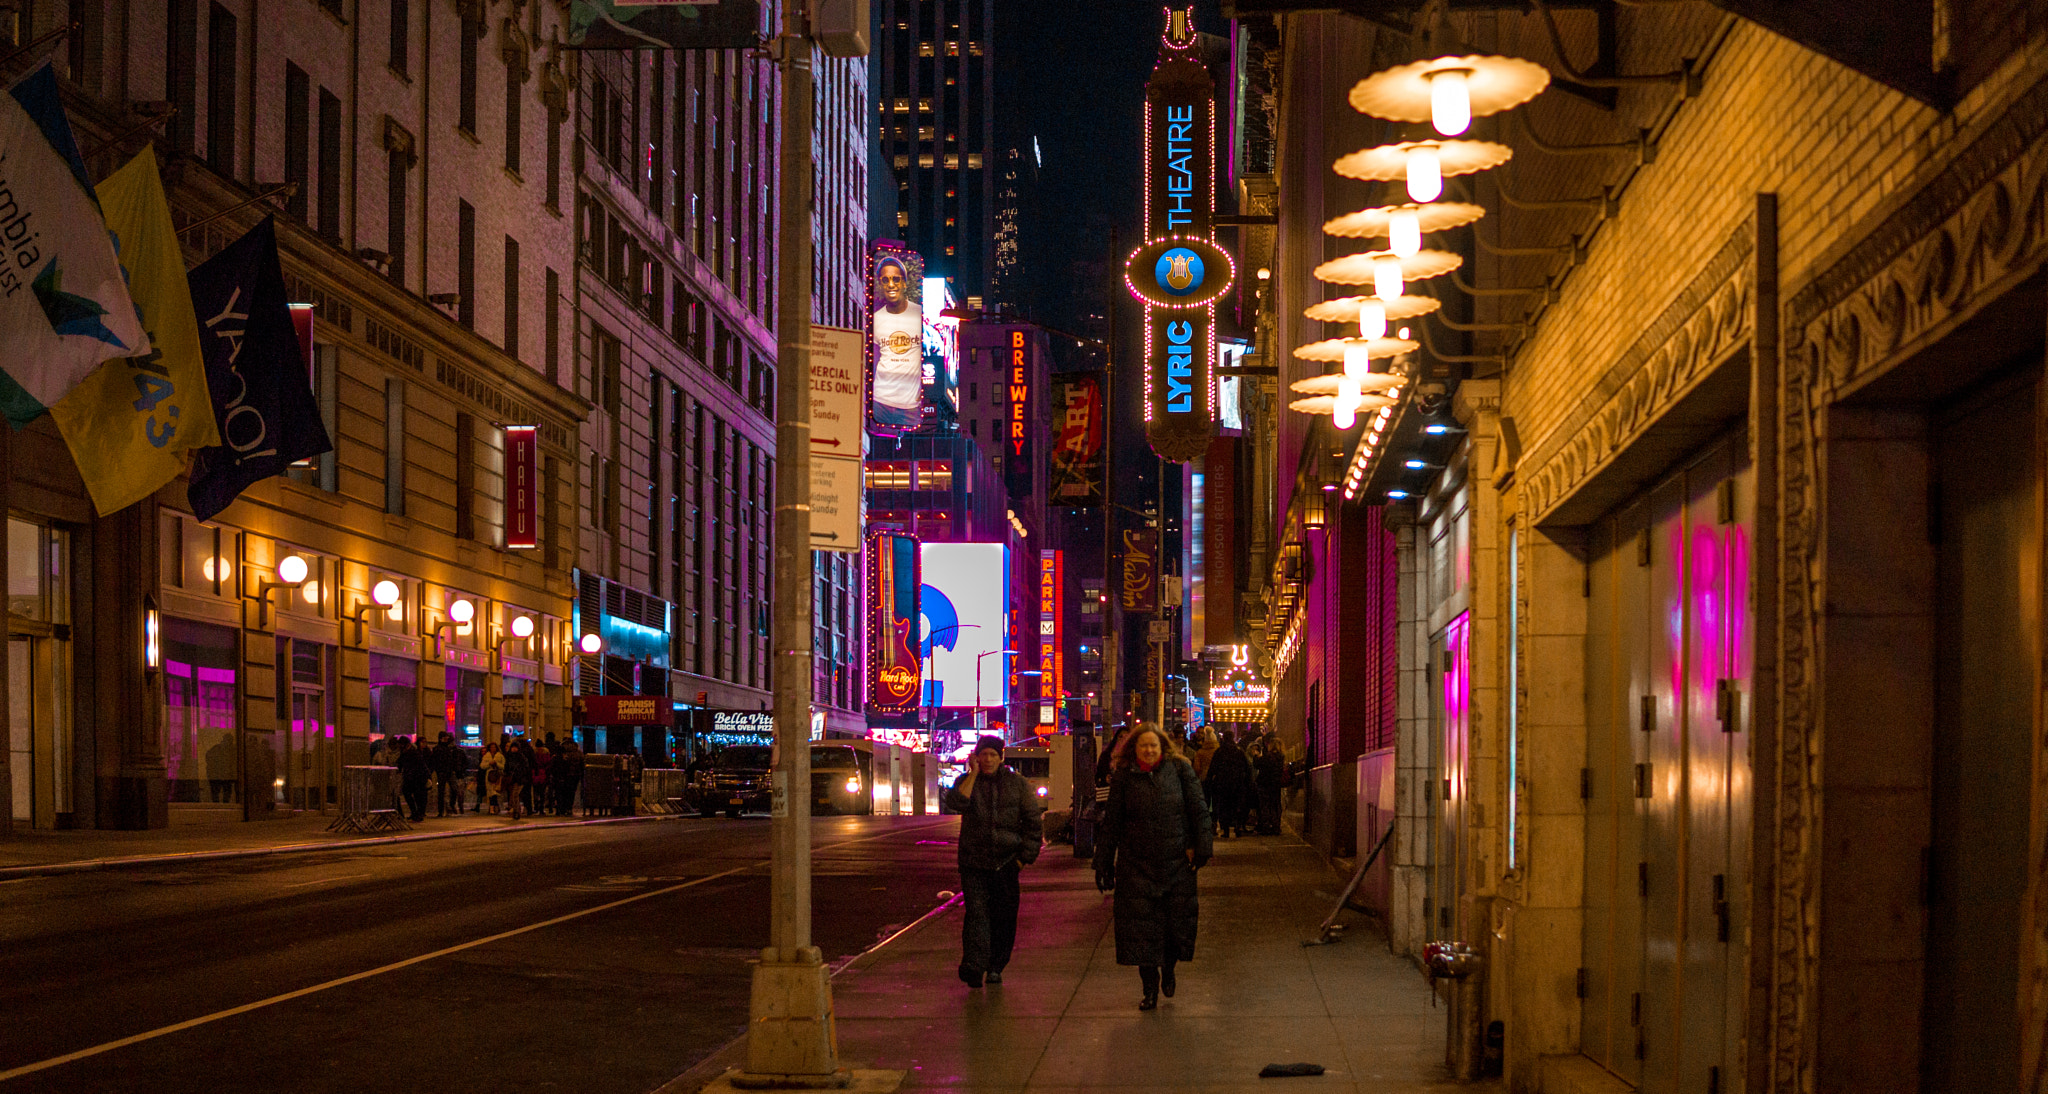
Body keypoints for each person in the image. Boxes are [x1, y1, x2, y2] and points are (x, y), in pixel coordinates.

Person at [1093, 722, 1211, 1011]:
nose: (1148, 750)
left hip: (1176, 864)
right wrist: (1103, 863)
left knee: (1172, 927)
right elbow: (1112, 823)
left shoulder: (1181, 771)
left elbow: (1198, 810)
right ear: (1135, 748)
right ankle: (1149, 988)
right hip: (1135, 866)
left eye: (1153, 745)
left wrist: (1202, 848)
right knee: (1140, 931)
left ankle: (1168, 969)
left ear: (1162, 747)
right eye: (1143, 745)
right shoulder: (1124, 777)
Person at [943, 736, 1045, 988]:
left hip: (1007, 862)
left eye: (992, 755)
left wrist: (1023, 859)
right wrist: (973, 774)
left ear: (1001, 758)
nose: (987, 760)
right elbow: (956, 803)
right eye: (983, 755)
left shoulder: (1018, 785)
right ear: (976, 757)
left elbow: (1033, 823)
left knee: (1004, 917)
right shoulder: (967, 782)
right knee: (977, 914)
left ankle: (996, 966)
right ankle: (975, 966)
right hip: (973, 862)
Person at [870, 255, 923, 427]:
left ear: (904, 283)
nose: (891, 284)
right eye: (885, 280)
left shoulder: (918, 315)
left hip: (910, 408)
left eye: (896, 279)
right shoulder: (876, 319)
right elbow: (874, 359)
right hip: (880, 403)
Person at [1208, 731, 1254, 839]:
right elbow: (1247, 767)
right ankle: (1238, 827)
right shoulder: (1239, 751)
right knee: (1237, 806)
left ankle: (1226, 830)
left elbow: (1213, 767)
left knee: (1224, 807)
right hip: (1237, 783)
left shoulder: (1219, 751)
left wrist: (1210, 780)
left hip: (1222, 783)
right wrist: (1248, 781)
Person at [1253, 734, 1286, 835]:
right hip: (1276, 784)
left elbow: (1257, 765)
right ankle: (1276, 826)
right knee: (1275, 805)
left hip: (1264, 784)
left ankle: (1266, 826)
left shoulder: (1267, 756)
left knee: (1265, 806)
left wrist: (1255, 755)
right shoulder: (1281, 757)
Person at [395, 736, 431, 823]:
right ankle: (415, 813)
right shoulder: (405, 752)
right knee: (409, 793)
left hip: (417, 778)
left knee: (417, 796)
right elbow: (400, 763)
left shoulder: (413, 753)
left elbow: (420, 766)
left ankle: (417, 814)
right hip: (411, 778)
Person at [429, 733, 465, 817]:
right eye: (445, 738)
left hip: (450, 771)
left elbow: (455, 759)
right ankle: (441, 811)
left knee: (454, 789)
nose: (446, 740)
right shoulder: (438, 749)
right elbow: (435, 761)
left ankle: (451, 804)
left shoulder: (450, 748)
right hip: (442, 772)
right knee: (441, 791)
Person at [503, 739, 533, 820]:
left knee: (515, 795)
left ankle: (516, 811)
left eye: (515, 747)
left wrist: (520, 774)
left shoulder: (522, 758)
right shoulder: (509, 757)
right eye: (513, 747)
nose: (514, 749)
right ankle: (516, 809)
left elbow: (525, 769)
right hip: (511, 779)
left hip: (519, 779)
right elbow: (506, 768)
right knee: (513, 795)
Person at [480, 742, 506, 814]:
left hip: (497, 776)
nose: (493, 749)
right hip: (489, 776)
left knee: (496, 792)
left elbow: (503, 766)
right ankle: (492, 808)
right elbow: (482, 765)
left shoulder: (500, 756)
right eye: (491, 747)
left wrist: (496, 764)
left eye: (494, 747)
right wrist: (489, 764)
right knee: (491, 793)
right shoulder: (486, 756)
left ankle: (495, 807)